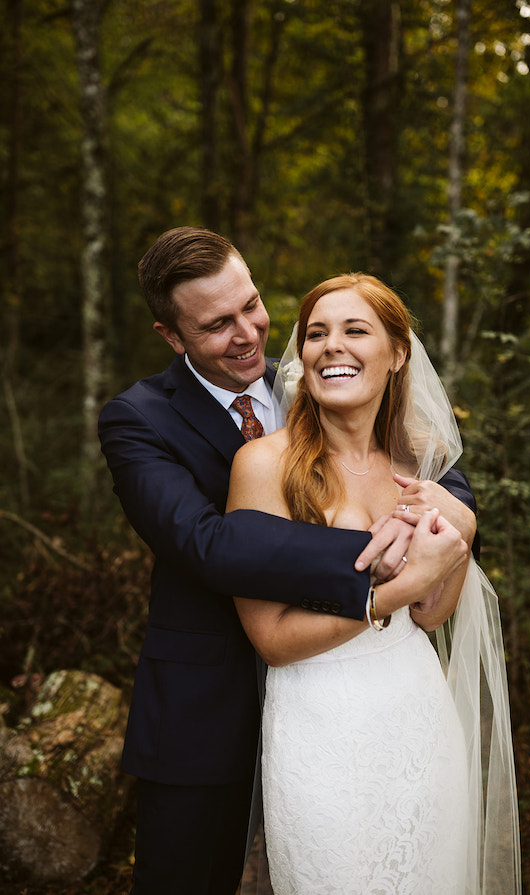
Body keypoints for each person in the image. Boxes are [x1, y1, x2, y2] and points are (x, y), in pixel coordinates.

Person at [98, 227, 478, 894]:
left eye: (252, 305)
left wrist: (458, 520)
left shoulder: (317, 373)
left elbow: (428, 471)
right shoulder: (138, 419)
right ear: (172, 336)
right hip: (207, 708)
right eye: (218, 324)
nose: (247, 332)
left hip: (358, 701)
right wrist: (387, 563)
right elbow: (208, 545)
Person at [225, 273, 520, 894]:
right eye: (315, 334)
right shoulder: (263, 465)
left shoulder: (421, 460)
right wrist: (396, 587)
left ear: (397, 352)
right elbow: (272, 640)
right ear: (300, 357)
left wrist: (459, 534)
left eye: (356, 330)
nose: (331, 346)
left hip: (415, 708)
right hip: (319, 721)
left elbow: (434, 613)